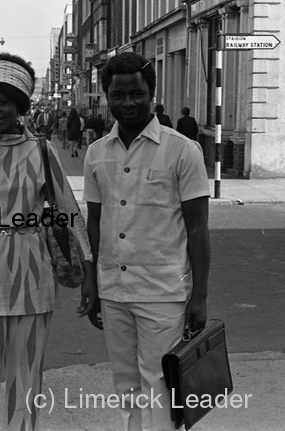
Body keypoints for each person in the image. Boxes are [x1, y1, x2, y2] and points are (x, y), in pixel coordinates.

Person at [0, 53, 96, 431]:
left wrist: (90, 270)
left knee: (27, 379)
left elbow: (68, 211)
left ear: (20, 105)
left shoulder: (42, 151)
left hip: (34, 276)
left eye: (3, 102)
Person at [84, 52, 210, 431]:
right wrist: (91, 281)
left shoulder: (182, 150)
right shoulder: (96, 154)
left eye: (136, 93)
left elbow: (198, 230)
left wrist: (199, 296)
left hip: (162, 292)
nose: (128, 103)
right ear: (107, 96)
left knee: (159, 385)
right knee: (127, 385)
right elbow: (94, 223)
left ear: (151, 94)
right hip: (113, 288)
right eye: (118, 95)